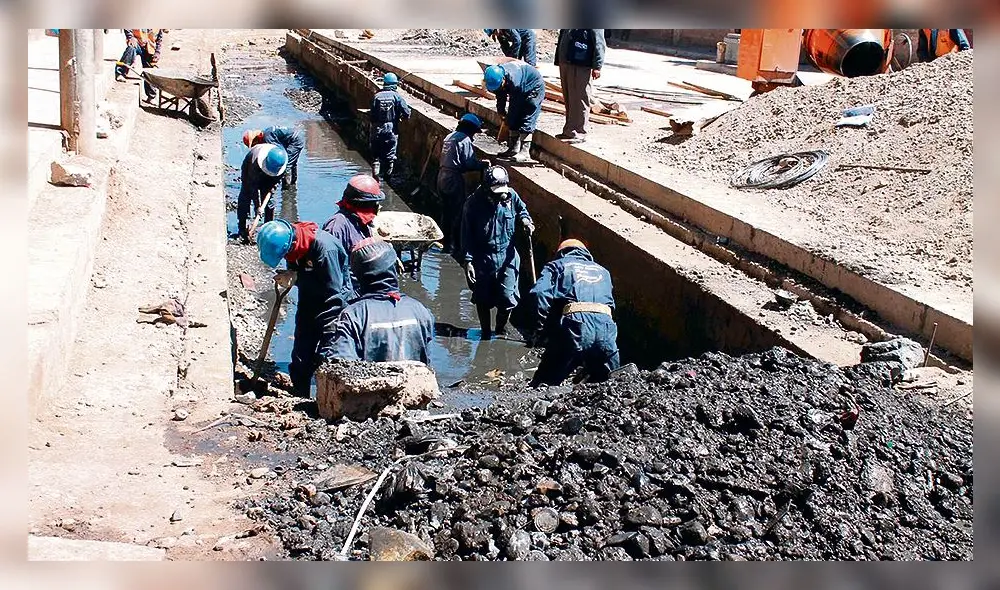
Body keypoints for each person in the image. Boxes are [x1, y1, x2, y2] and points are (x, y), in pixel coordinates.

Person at [256, 219, 353, 398]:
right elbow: (300, 272)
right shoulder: (294, 250)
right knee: (301, 356)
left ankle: (324, 402)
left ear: (291, 244)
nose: (286, 258)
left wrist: (297, 278)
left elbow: (332, 289)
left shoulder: (325, 249)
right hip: (309, 301)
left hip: (333, 307)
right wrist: (292, 275)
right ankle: (299, 396)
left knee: (326, 357)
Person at [526, 238, 620, 387]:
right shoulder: (604, 271)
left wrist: (540, 329)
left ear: (561, 253)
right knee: (608, 385)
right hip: (606, 329)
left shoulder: (556, 266)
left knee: (543, 385)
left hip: (575, 326)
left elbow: (539, 294)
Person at [329, 238, 435, 362]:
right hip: (413, 375)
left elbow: (341, 363)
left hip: (371, 375)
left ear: (358, 274)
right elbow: (427, 361)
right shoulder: (420, 311)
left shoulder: (354, 315)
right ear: (394, 268)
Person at [461, 165, 534, 339]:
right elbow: (466, 236)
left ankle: (500, 329)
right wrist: (468, 261)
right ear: (486, 188)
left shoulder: (511, 196)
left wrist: (526, 221)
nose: (500, 195)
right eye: (495, 192)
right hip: (483, 257)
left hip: (507, 255)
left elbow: (522, 210)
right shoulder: (473, 204)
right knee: (482, 298)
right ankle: (486, 333)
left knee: (507, 298)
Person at [437, 113, 491, 254]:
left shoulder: (449, 137)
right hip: (453, 179)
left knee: (446, 211)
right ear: (470, 129)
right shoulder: (464, 140)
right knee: (458, 212)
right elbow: (468, 163)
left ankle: (445, 243)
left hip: (441, 177)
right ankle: (456, 246)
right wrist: (483, 164)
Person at [483, 61, 545, 162]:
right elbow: (500, 94)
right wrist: (501, 111)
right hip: (520, 88)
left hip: (534, 87)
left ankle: (525, 151)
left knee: (526, 115)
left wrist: (508, 119)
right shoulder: (497, 76)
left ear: (503, 80)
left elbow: (516, 106)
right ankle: (513, 148)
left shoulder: (514, 80)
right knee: (513, 117)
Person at [554, 29, 606, 144]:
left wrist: (597, 66)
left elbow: (599, 42)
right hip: (566, 61)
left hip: (581, 63)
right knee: (569, 98)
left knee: (580, 98)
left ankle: (579, 132)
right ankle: (569, 130)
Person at [237, 143, 288, 242]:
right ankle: (242, 228)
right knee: (246, 194)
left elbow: (276, 181)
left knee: (270, 203)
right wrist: (258, 207)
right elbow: (253, 187)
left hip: (270, 175)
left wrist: (272, 188)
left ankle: (268, 230)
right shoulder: (255, 161)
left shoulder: (281, 163)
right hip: (250, 169)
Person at [369, 72, 412, 182]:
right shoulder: (397, 97)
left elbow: (372, 114)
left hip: (377, 128)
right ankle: (387, 181)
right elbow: (406, 112)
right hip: (391, 129)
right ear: (394, 84)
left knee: (376, 156)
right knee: (390, 155)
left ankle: (375, 180)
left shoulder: (376, 96)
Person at [115, 29, 163, 101]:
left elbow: (159, 40)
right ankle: (121, 72)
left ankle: (151, 96)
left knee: (150, 70)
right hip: (137, 43)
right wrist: (130, 37)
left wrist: (157, 52)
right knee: (131, 48)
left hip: (149, 49)